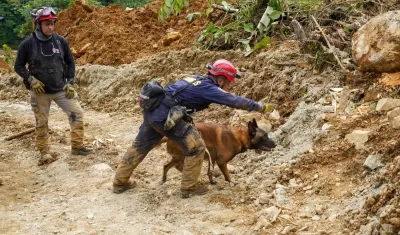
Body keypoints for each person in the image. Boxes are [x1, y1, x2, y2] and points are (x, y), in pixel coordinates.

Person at [113, 59, 272, 198]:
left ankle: (119, 183)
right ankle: (189, 188)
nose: (229, 86)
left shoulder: (195, 78)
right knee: (197, 147)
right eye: (230, 82)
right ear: (221, 79)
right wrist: (257, 106)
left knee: (140, 146)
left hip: (152, 111)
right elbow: (232, 100)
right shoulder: (209, 88)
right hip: (167, 116)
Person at [14, 7, 93, 166]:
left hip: (60, 89)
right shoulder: (28, 44)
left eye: (52, 23)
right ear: (38, 24)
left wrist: (70, 82)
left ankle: (77, 146)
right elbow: (18, 66)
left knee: (77, 113)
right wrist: (30, 79)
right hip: (40, 92)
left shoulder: (60, 41)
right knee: (41, 122)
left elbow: (70, 62)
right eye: (47, 24)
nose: (51, 27)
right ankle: (44, 152)